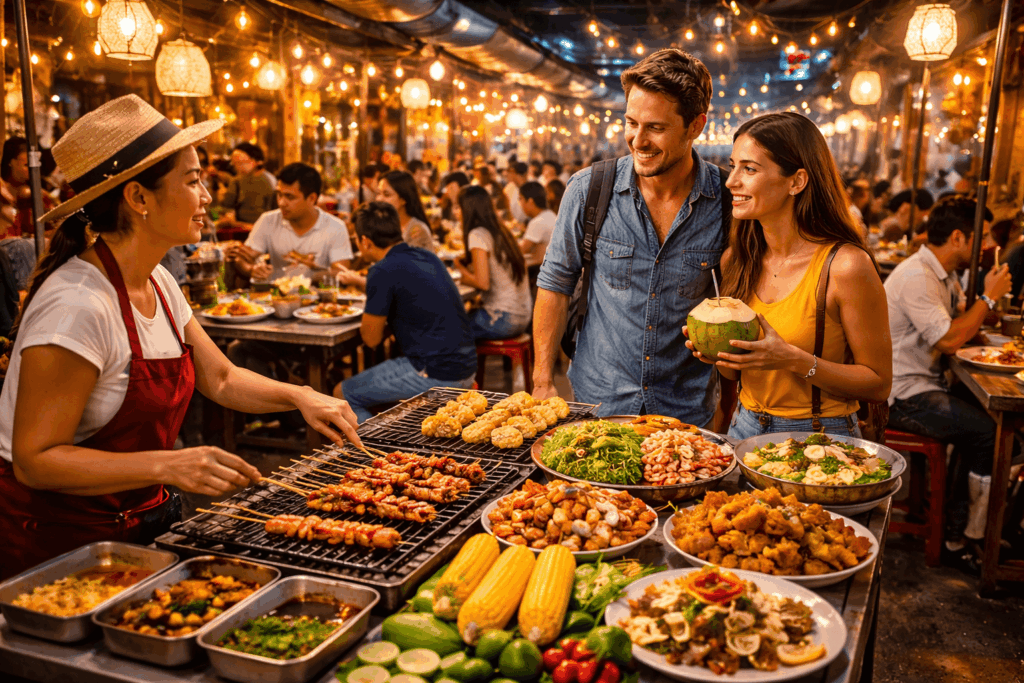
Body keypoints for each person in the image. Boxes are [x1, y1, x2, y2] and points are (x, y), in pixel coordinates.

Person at [0, 96, 360, 579]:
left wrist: (302, 397)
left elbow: (224, 378)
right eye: (192, 181)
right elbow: (35, 461)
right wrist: (168, 465)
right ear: (138, 198)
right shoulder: (77, 306)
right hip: (59, 543)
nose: (208, 196)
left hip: (134, 522)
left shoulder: (160, 283)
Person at [534, 48, 729, 426]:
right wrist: (543, 379)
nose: (637, 140)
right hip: (599, 403)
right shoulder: (588, 190)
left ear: (696, 126)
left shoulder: (725, 201)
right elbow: (555, 283)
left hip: (685, 409)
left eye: (655, 127)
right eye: (630, 122)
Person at [684, 112, 891, 439]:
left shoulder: (845, 266)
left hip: (820, 435)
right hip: (745, 427)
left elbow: (878, 384)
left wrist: (794, 360)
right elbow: (732, 373)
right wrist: (715, 351)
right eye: (733, 164)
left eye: (749, 169)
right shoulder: (737, 259)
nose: (731, 181)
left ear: (797, 181)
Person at [885, 196, 1012, 563]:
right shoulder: (918, 276)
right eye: (982, 237)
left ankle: (963, 526)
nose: (988, 246)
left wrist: (982, 308)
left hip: (926, 384)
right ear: (959, 237)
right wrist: (989, 297)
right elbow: (950, 339)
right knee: (986, 433)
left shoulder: (944, 275)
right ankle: (965, 538)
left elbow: (957, 325)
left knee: (994, 425)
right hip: (900, 394)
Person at [334, 202, 477, 423]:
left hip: (436, 373)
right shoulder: (427, 256)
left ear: (364, 241)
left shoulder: (380, 271)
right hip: (466, 365)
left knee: (343, 395)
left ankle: (376, 449)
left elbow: (370, 339)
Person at [233, 162, 353, 281]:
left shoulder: (335, 227)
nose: (281, 203)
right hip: (276, 297)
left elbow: (342, 273)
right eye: (279, 195)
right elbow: (243, 258)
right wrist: (252, 269)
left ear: (312, 198)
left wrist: (309, 273)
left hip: (321, 298)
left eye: (290, 197)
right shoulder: (268, 220)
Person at [454, 185, 532, 340]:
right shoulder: (502, 231)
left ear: (468, 209)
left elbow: (483, 283)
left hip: (502, 318)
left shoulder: (477, 235)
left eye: (458, 207)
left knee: (446, 328)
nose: (456, 212)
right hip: (523, 316)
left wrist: (460, 271)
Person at [217, 142, 276, 228]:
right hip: (241, 229)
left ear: (256, 161)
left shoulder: (270, 181)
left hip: (261, 228)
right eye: (235, 164)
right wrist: (229, 214)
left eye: (241, 163)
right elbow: (225, 206)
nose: (237, 167)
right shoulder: (237, 181)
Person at [377, 170, 436, 253]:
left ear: (403, 199)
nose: (379, 199)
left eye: (386, 194)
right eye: (378, 193)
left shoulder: (416, 230)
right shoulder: (386, 224)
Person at [518, 181, 557, 267]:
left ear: (530, 201)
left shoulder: (538, 222)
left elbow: (519, 251)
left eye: (520, 199)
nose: (520, 204)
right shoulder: (550, 214)